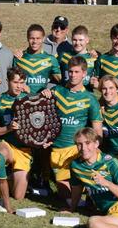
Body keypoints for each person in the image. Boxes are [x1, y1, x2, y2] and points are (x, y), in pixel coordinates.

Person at [41, 56, 102, 201]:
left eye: (76, 72)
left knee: (92, 195)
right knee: (67, 198)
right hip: (58, 150)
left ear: (84, 74)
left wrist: (95, 149)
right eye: (70, 72)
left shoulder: (90, 98)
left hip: (79, 150)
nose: (73, 75)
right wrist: (44, 96)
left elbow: (98, 131)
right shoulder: (56, 92)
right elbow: (41, 117)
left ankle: (89, 188)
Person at [0, 68, 31, 200]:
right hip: (7, 145)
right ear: (8, 81)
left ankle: (8, 177)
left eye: (21, 82)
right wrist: (8, 128)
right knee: (1, 152)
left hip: (24, 150)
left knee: (18, 196)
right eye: (15, 82)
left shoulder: (30, 99)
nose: (19, 86)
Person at [13, 24, 61, 94]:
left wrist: (51, 90)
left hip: (41, 101)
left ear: (43, 38)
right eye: (32, 38)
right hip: (23, 101)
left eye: (38, 38)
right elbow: (11, 81)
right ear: (27, 38)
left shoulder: (50, 59)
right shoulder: (19, 57)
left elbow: (62, 82)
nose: (35, 41)